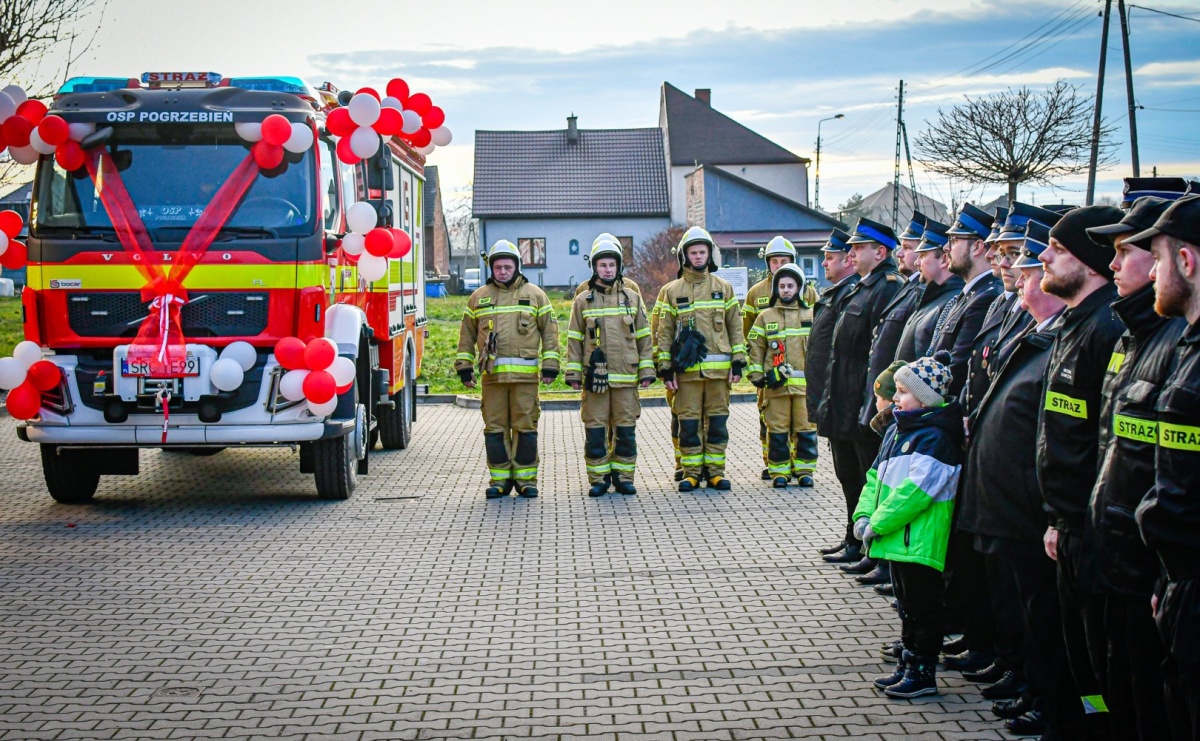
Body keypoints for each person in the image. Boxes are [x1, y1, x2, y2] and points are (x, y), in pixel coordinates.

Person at [964, 224, 1081, 738]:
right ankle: (1029, 682)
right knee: (1020, 603)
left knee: (1043, 614)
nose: (1011, 272)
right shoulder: (1030, 324)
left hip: (1037, 506)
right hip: (1008, 497)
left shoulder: (1078, 333)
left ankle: (1049, 700)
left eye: (1025, 264)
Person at [1082, 193, 1187, 740]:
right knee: (1118, 689)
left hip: (1151, 570)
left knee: (1152, 703)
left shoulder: (1175, 342)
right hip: (1116, 554)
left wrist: (1162, 571)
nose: (1114, 265)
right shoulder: (1133, 332)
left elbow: (1170, 471)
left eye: (1126, 252)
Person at [1037, 204, 1127, 736]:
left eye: (1060, 250)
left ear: (1091, 264)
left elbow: (1105, 442)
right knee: (1079, 648)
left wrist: (1076, 520)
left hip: (1091, 531)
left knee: (1101, 656)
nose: (1045, 256)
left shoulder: (1105, 328)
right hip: (1068, 525)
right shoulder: (1077, 322)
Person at [854, 352, 964, 699]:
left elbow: (915, 493)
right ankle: (908, 660)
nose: (895, 398)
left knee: (923, 608)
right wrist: (861, 515)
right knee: (907, 606)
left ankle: (922, 670)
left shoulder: (934, 438)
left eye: (902, 391)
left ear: (926, 398)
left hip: (917, 541)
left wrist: (878, 523)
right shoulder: (899, 430)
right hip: (896, 538)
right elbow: (874, 478)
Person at [1132, 194, 1200, 739]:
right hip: (1176, 579)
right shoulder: (1188, 348)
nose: (1151, 271)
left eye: (1155, 258)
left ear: (1187, 262)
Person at [817, 218, 903, 574]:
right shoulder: (861, 288)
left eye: (858, 248)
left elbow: (878, 355)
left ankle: (875, 550)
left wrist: (871, 403)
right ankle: (856, 539)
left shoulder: (885, 287)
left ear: (879, 252)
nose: (850, 254)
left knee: (870, 478)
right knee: (849, 476)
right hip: (844, 399)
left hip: (862, 402)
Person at [455, 240, 559, 499]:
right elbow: (466, 335)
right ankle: (499, 481)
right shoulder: (478, 298)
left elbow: (550, 332)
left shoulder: (536, 295)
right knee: (495, 429)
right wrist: (464, 367)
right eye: (498, 267)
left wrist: (550, 365)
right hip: (492, 379)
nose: (502, 271)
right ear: (491, 269)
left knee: (525, 429)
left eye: (507, 266)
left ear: (517, 267)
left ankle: (526, 480)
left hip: (526, 381)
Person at [655, 227, 745, 492]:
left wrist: (738, 361)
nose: (698, 256)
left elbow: (735, 327)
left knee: (717, 424)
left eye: (702, 251)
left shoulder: (724, 288)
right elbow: (664, 332)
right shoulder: (671, 291)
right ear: (685, 256)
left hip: (719, 375)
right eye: (693, 252)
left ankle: (715, 473)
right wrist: (666, 368)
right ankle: (692, 473)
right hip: (687, 374)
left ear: (709, 254)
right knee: (689, 424)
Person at [564, 240, 655, 497]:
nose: (607, 269)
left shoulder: (633, 298)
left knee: (625, 430)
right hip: (595, 380)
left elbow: (644, 338)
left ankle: (624, 478)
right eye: (602, 265)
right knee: (595, 430)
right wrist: (573, 374)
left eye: (611, 264)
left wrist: (647, 371)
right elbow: (574, 339)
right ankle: (599, 479)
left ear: (619, 266)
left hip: (626, 378)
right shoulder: (583, 300)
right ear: (594, 267)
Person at [744, 236, 820, 485]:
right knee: (776, 430)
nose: (786, 290)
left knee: (806, 429)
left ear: (799, 288)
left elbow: (820, 347)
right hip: (774, 386)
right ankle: (778, 471)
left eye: (791, 286)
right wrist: (757, 375)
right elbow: (754, 344)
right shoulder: (765, 315)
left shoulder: (811, 313)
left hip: (805, 388)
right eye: (782, 286)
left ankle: (805, 471)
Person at [811, 229, 864, 559]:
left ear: (848, 260)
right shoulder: (837, 293)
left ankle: (859, 542)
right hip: (832, 401)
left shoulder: (852, 294)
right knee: (846, 475)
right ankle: (852, 537)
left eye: (830, 257)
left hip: (846, 400)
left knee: (855, 475)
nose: (824, 262)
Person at [895, 219, 961, 363]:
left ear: (944, 260)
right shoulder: (931, 297)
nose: (916, 262)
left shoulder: (951, 302)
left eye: (923, 256)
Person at [574, 234, 639, 297]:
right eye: (603, 265)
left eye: (612, 264)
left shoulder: (631, 287)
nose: (608, 270)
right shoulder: (583, 288)